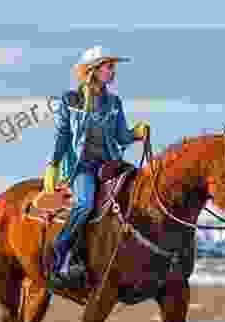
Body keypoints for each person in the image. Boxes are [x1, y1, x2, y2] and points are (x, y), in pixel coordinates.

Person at [44, 46, 150, 289]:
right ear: (93, 70)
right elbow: (62, 135)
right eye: (109, 66)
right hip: (82, 166)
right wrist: (53, 165)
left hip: (110, 164)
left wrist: (136, 133)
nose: (113, 71)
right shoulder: (70, 100)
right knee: (84, 203)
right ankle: (61, 254)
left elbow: (121, 136)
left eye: (113, 67)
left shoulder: (114, 102)